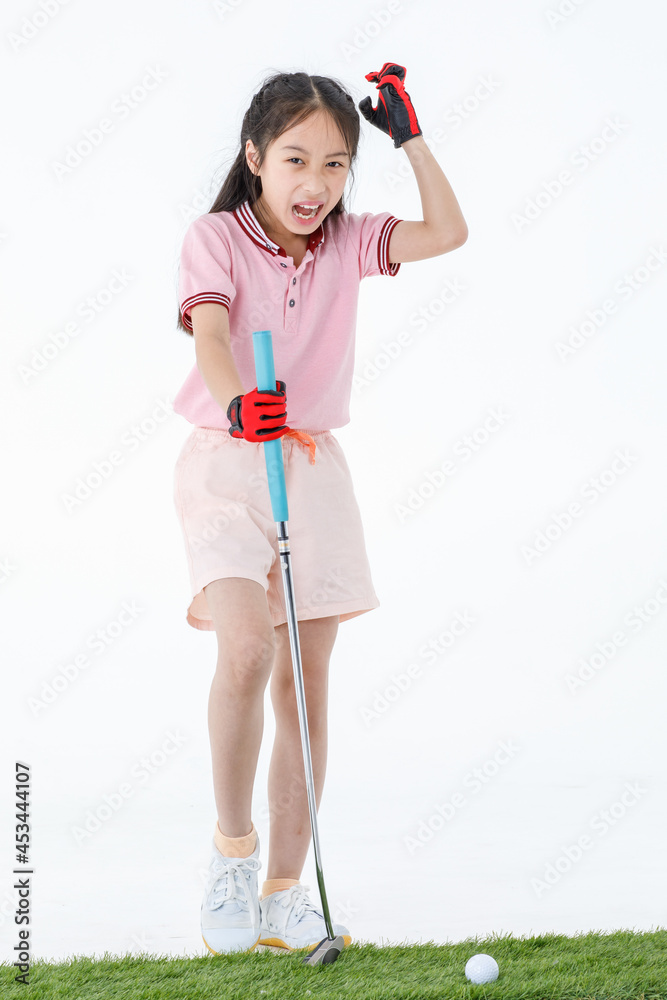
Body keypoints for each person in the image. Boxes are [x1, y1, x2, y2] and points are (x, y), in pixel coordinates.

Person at [172, 63, 468, 956]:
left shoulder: (349, 241)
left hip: (312, 467)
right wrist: (238, 403)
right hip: (228, 458)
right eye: (296, 160)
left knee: (304, 682)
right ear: (254, 157)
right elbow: (212, 333)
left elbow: (447, 232)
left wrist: (409, 140)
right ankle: (231, 855)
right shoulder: (214, 237)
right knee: (246, 649)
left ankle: (283, 893)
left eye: (335, 164)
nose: (316, 183)